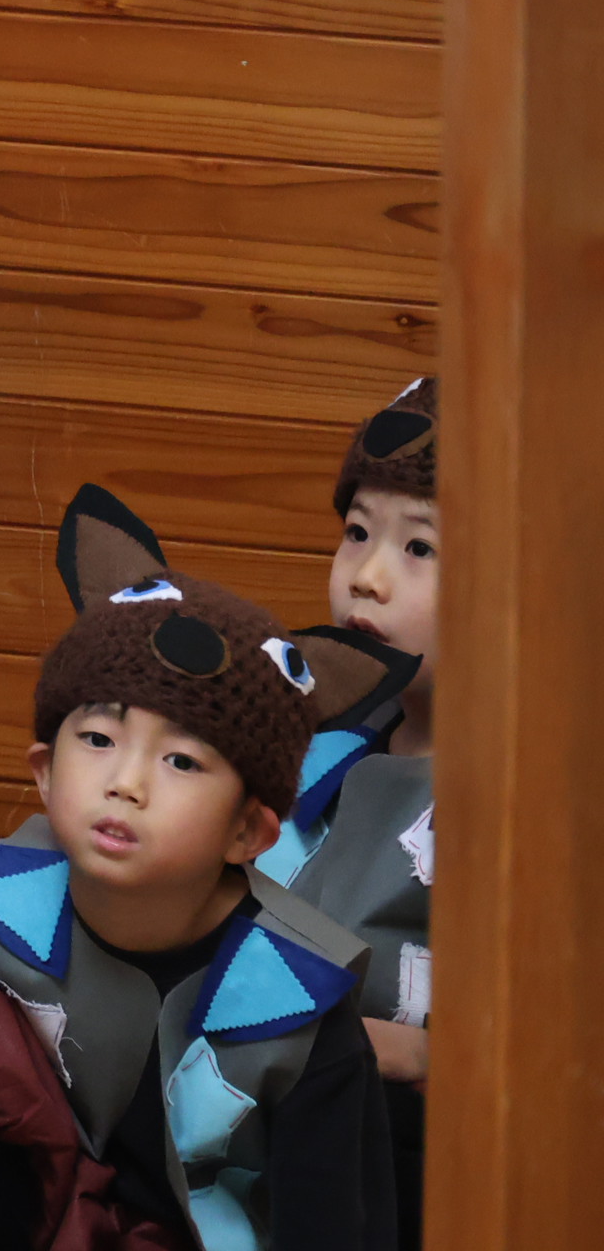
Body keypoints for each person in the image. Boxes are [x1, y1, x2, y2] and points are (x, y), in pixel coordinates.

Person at [0, 485, 398, 1251]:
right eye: (98, 740)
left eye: (183, 760)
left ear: (249, 832)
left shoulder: (299, 998)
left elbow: (334, 1225)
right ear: (44, 774)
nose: (127, 783)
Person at [266, 378, 436, 1246]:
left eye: (421, 547)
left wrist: (420, 1054)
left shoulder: (546, 802)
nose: (366, 578)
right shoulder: (309, 742)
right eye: (358, 532)